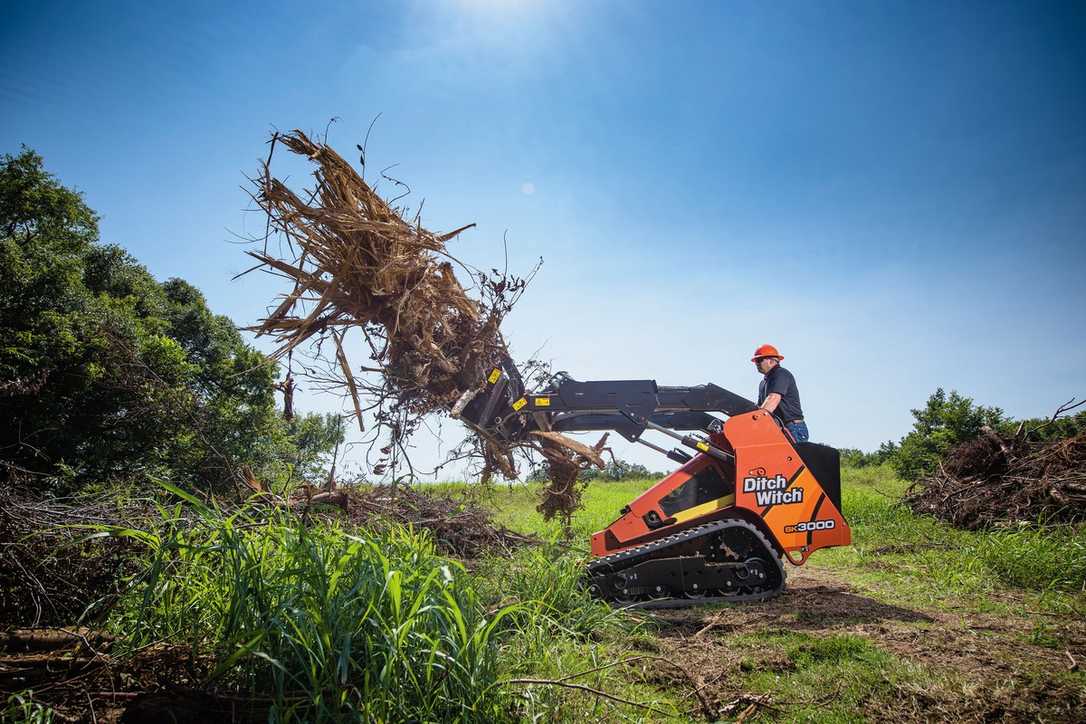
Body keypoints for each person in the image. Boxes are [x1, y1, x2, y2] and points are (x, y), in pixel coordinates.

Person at [751, 344, 808, 442]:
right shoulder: (763, 383)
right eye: (756, 361)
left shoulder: (781, 374)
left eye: (759, 360)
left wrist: (756, 422)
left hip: (792, 428)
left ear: (771, 361)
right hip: (777, 427)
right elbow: (760, 408)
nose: (756, 363)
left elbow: (773, 399)